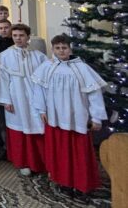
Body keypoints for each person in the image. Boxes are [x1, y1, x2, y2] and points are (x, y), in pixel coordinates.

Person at [32, 34, 107, 202]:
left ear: (70, 49)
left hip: (77, 118)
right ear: (53, 49)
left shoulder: (82, 68)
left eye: (64, 48)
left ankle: (82, 184)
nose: (61, 51)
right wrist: (41, 109)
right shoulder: (47, 67)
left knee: (79, 153)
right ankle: (64, 181)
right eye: (57, 48)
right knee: (60, 152)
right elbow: (39, 90)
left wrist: (96, 117)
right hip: (55, 117)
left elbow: (94, 94)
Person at [0, 24, 47, 176]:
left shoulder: (39, 56)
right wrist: (6, 100)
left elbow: (44, 80)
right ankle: (23, 162)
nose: (18, 38)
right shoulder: (5, 56)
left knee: (38, 127)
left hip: (35, 97)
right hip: (16, 98)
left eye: (21, 35)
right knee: (19, 129)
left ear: (28, 37)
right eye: (15, 35)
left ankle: (40, 161)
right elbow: (2, 80)